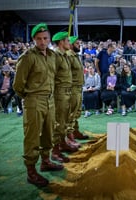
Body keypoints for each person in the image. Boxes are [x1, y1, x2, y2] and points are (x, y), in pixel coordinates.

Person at [13, 23, 63, 187]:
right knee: (32, 136)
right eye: (39, 39)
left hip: (50, 100)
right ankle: (31, 171)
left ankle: (45, 161)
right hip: (34, 100)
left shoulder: (52, 56)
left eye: (45, 38)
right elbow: (18, 84)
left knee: (49, 133)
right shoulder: (28, 57)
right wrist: (29, 98)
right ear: (34, 39)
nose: (43, 41)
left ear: (49, 39)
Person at [50, 31, 80, 164]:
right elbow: (51, 75)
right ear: (61, 42)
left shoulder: (64, 55)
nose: (70, 43)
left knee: (64, 121)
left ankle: (62, 144)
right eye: (67, 41)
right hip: (59, 93)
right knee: (58, 123)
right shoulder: (56, 55)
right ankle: (55, 151)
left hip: (67, 92)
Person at [67, 36, 89, 140]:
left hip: (79, 87)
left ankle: (75, 131)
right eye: (77, 44)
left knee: (77, 112)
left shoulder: (75, 55)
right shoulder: (69, 56)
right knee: (72, 113)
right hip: (72, 88)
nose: (79, 45)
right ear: (70, 45)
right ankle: (70, 136)